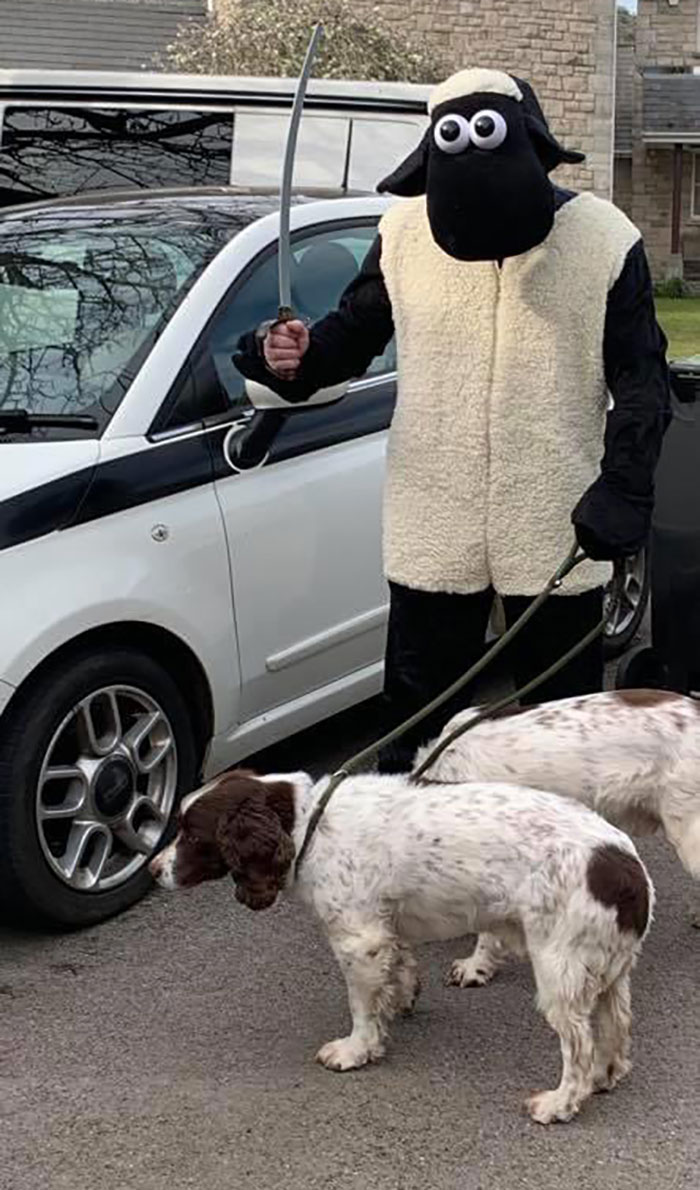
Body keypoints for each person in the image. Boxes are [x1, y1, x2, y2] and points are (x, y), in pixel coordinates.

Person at [234, 67, 671, 772]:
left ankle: (556, 867)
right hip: (434, 517)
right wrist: (282, 354)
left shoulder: (602, 240)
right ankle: (412, 862)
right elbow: (345, 341)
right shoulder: (404, 233)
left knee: (562, 731)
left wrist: (624, 486)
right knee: (416, 724)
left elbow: (643, 378)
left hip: (557, 520)